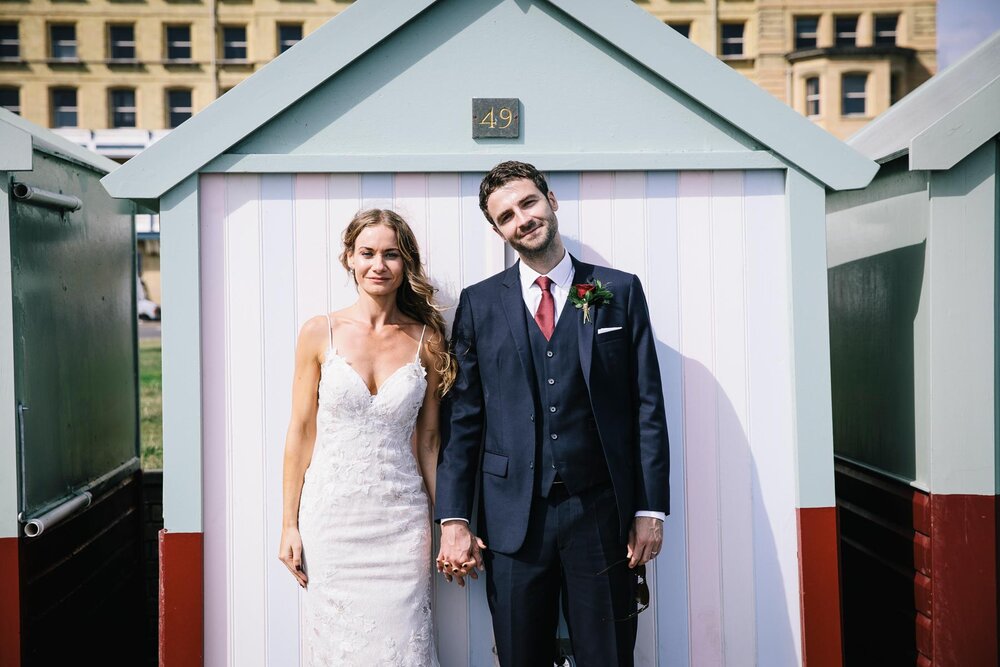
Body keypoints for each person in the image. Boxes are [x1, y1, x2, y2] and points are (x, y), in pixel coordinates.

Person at [435, 161, 670, 666]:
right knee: (520, 657)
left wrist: (650, 509)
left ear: (551, 201)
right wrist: (454, 516)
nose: (521, 219)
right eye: (506, 216)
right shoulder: (478, 304)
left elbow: (646, 403)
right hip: (511, 519)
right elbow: (463, 418)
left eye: (528, 203)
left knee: (608, 656)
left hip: (601, 512)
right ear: (497, 230)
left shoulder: (617, 291)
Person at [277, 209, 454, 665]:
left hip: (401, 523)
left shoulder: (426, 341)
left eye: (391, 254)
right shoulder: (320, 332)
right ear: (349, 260)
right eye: (367, 253)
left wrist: (448, 523)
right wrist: (288, 525)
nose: (379, 264)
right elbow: (299, 433)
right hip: (332, 522)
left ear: (406, 263)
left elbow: (431, 443)